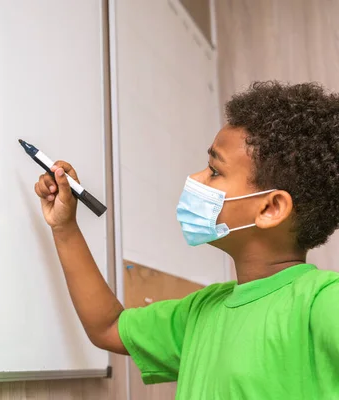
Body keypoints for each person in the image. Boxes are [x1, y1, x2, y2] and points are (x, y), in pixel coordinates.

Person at [33, 81, 339, 399]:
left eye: (214, 171)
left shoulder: (322, 302)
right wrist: (64, 227)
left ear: (270, 208)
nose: (195, 179)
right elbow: (108, 328)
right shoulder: (201, 311)